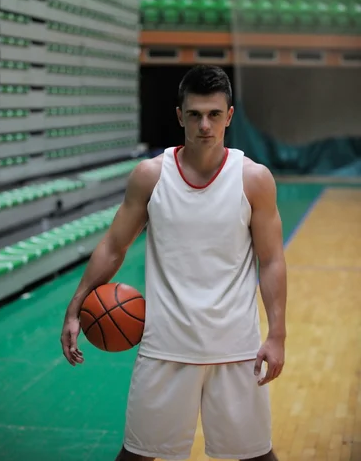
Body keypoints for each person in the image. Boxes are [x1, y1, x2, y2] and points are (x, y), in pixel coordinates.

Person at [61, 64, 287, 461]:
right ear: (180, 115)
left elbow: (270, 261)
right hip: (165, 346)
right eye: (195, 114)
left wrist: (277, 335)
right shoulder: (150, 176)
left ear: (229, 117)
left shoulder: (254, 180)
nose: (205, 124)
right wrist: (76, 306)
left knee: (256, 456)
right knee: (136, 456)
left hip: (235, 347)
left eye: (215, 114)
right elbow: (114, 245)